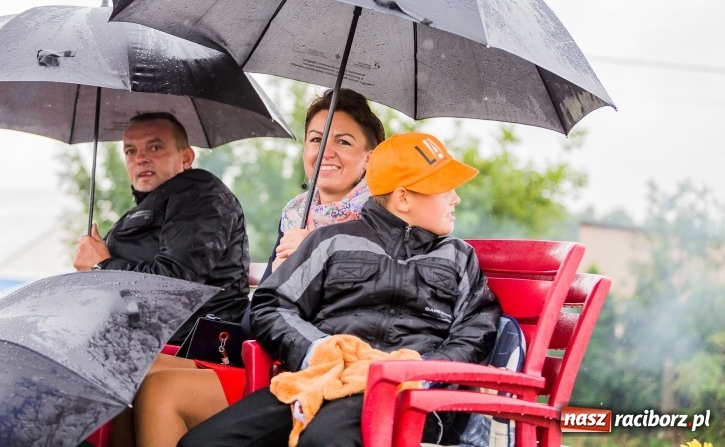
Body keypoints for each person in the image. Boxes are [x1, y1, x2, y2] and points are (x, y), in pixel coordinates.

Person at [177, 132, 502, 447]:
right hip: (320, 381)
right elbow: (271, 305)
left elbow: (476, 332)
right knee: (202, 441)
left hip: (409, 396)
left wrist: (420, 368)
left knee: (325, 438)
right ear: (403, 197)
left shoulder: (458, 257)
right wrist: (316, 350)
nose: (456, 197)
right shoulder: (329, 241)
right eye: (444, 187)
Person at [127, 89, 386, 447]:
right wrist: (281, 275)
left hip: (310, 372)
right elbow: (258, 314)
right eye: (316, 139)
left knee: (161, 391)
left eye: (343, 141)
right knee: (131, 372)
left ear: (369, 157)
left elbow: (366, 318)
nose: (325, 151)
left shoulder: (381, 223)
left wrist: (313, 258)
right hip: (258, 353)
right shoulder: (296, 216)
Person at [72, 111, 250, 345]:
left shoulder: (201, 197)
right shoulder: (153, 206)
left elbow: (173, 285)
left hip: (194, 345)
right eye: (130, 151)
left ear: (186, 157)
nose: (140, 158)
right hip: (144, 341)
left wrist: (102, 266)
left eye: (154, 148)